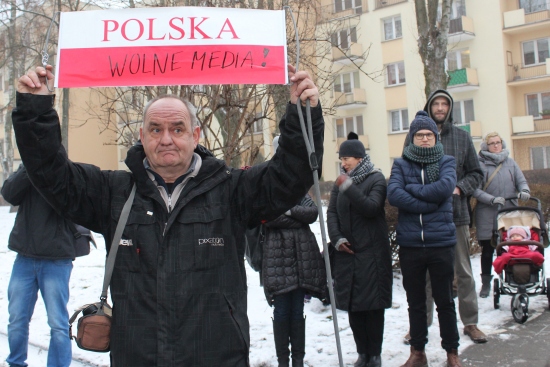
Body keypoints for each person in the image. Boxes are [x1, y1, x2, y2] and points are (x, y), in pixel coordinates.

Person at [12, 64, 324, 366]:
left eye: (177, 129)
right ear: (141, 135)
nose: (166, 139)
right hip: (138, 358)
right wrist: (35, 110)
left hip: (217, 357)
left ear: (196, 135)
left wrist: (303, 115)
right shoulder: (113, 192)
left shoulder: (231, 191)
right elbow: (52, 175)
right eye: (156, 129)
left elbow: (290, 176)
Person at [388, 111, 462, 367]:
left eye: (429, 134)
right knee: (416, 302)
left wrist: (414, 192)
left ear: (435, 136)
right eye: (419, 135)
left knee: (444, 301)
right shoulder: (400, 164)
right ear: (412, 138)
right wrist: (429, 202)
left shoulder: (447, 162)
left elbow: (445, 188)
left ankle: (452, 352)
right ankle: (417, 352)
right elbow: (394, 195)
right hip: (411, 244)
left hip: (440, 242)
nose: (424, 139)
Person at [413, 90, 486, 344]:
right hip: (427, 217)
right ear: (430, 107)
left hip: (457, 215)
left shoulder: (463, 138)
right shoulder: (417, 137)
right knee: (427, 275)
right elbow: (406, 171)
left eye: (445, 104)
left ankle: (471, 322)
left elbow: (477, 174)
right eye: (437, 104)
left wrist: (459, 188)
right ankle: (421, 325)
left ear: (450, 108)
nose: (441, 108)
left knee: (463, 271)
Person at [1, 165, 82, 367]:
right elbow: (9, 194)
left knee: (58, 324)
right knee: (17, 319)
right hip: (25, 256)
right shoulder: (28, 168)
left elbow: (74, 204)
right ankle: (16, 363)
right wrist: (29, 167)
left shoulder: (65, 170)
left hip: (56, 259)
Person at [327, 133, 392, 367]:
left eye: (347, 159)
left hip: (372, 255)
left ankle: (374, 354)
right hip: (348, 254)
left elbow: (371, 208)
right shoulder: (341, 182)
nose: (343, 163)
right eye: (341, 159)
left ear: (359, 158)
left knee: (372, 307)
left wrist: (348, 187)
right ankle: (362, 353)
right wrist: (336, 238)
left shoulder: (376, 179)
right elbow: (332, 213)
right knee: (354, 306)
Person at [262, 137, 326, 367]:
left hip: (301, 255)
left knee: (297, 311)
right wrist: (293, 214)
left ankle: (298, 360)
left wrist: (286, 211)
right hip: (277, 255)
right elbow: (267, 216)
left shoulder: (299, 183)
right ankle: (283, 361)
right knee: (281, 311)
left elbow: (312, 213)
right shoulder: (268, 180)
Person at [471, 132, 530, 296]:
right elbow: (474, 189)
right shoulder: (480, 165)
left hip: (509, 212)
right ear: (486, 146)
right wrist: (491, 199)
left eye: (498, 142)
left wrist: (524, 191)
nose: (496, 145)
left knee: (510, 247)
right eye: (492, 143)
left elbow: (521, 181)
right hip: (487, 213)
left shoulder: (510, 163)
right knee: (488, 250)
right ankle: (486, 284)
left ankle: (512, 278)